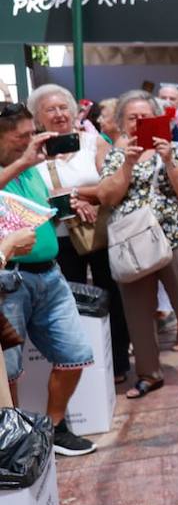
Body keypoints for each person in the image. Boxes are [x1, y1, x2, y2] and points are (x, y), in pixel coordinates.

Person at [98, 90, 178, 397]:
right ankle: (149, 373)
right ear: (122, 123)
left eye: (145, 117)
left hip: (177, 237)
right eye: (132, 118)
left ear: (158, 119)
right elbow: (108, 197)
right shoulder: (116, 154)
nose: (139, 123)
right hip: (133, 243)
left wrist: (167, 160)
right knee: (138, 311)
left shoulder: (177, 150)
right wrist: (127, 164)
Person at [0, 105, 98, 457]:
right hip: (8, 281)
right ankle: (11, 440)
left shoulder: (30, 167)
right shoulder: (21, 164)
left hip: (49, 274)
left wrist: (66, 202)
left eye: (32, 133)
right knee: (7, 371)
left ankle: (54, 427)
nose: (30, 142)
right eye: (21, 137)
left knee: (74, 354)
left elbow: (37, 206)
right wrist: (25, 161)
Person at [28, 84, 129, 383]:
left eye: (63, 108)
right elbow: (30, 195)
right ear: (37, 117)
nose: (59, 114)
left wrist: (77, 195)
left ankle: (119, 361)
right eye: (50, 109)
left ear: (74, 112)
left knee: (111, 296)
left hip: (98, 232)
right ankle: (80, 367)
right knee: (70, 302)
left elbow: (111, 185)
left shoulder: (93, 142)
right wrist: (64, 201)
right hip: (57, 236)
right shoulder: (32, 151)